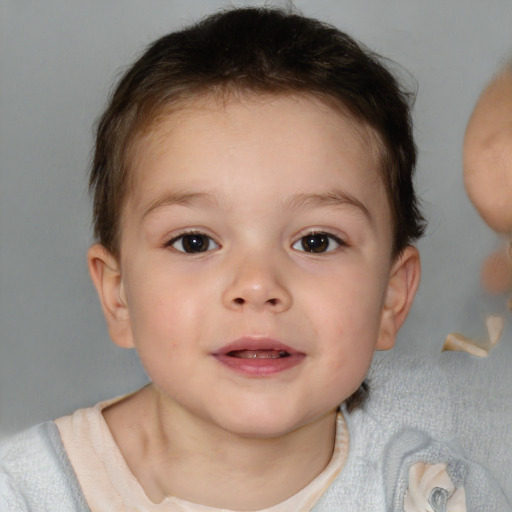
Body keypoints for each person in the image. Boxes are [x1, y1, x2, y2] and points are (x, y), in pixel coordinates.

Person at [1, 7, 509, 511]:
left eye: (316, 242)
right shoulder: (23, 492)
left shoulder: (429, 492)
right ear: (118, 296)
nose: (258, 284)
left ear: (391, 298)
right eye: (194, 242)